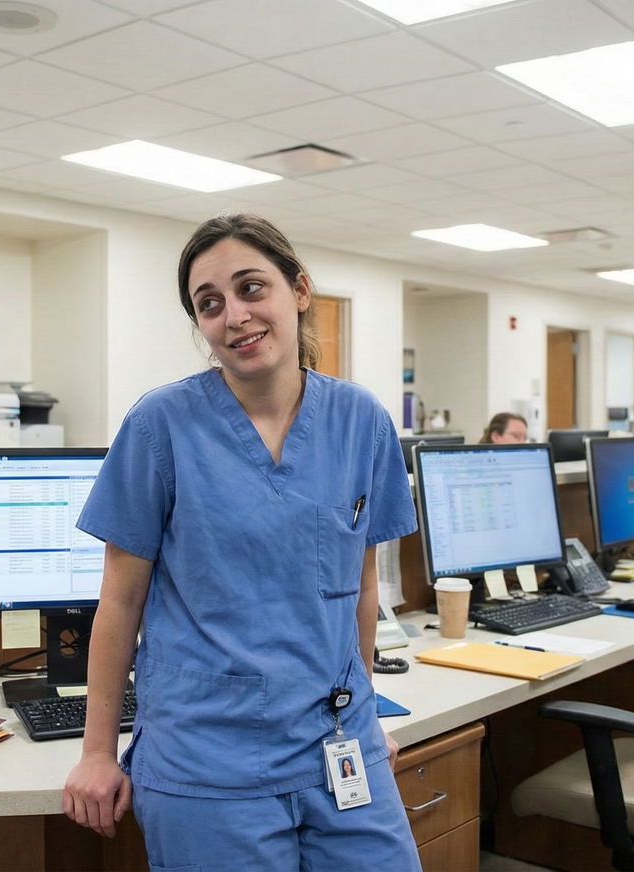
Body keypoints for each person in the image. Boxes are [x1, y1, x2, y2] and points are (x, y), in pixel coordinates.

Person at [62, 213, 421, 870]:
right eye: (210, 304)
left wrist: (365, 718)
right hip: (210, 757)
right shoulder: (161, 425)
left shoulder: (361, 420)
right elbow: (118, 603)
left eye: (252, 288)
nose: (235, 316)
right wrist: (95, 752)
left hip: (339, 743)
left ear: (299, 291)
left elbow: (362, 585)